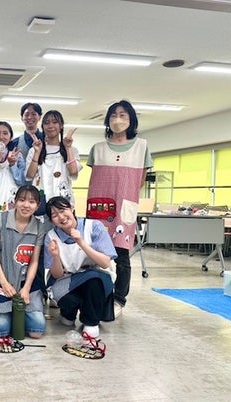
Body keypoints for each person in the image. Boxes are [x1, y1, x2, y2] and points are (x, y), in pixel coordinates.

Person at [86, 100, 153, 315]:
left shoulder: (141, 146)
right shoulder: (97, 148)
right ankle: (94, 295)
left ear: (131, 119)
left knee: (122, 255)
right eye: (113, 115)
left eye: (123, 115)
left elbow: (140, 180)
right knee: (93, 253)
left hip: (124, 207)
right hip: (99, 207)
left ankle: (119, 299)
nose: (118, 119)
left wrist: (124, 193)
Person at [43, 196, 117, 339]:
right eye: (55, 215)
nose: (61, 217)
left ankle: (91, 322)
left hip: (94, 276)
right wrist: (56, 256)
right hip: (66, 279)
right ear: (51, 221)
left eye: (63, 210)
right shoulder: (51, 237)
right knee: (68, 305)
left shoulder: (94, 226)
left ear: (72, 208)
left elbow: (105, 263)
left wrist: (81, 242)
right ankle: (68, 313)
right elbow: (57, 275)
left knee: (93, 281)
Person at [0, 185, 46, 339]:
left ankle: (17, 311)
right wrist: (4, 283)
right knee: (1, 330)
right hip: (1, 281)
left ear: (38, 205)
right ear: (15, 201)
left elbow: (34, 261)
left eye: (32, 202)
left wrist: (26, 288)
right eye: (22, 200)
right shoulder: (0, 219)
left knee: (37, 330)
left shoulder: (39, 227)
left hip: (26, 283)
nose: (26, 205)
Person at [25, 109, 81, 214]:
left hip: (63, 202)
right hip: (40, 202)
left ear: (61, 126)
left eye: (55, 122)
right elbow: (30, 175)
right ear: (43, 127)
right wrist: (37, 152)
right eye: (47, 123)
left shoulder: (72, 150)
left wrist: (68, 147)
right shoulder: (34, 150)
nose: (50, 126)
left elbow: (73, 172)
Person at [0, 121, 25, 225]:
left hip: (10, 201)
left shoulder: (17, 155)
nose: (1, 137)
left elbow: (22, 181)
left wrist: (12, 165)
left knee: (9, 230)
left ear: (10, 137)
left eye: (5, 133)